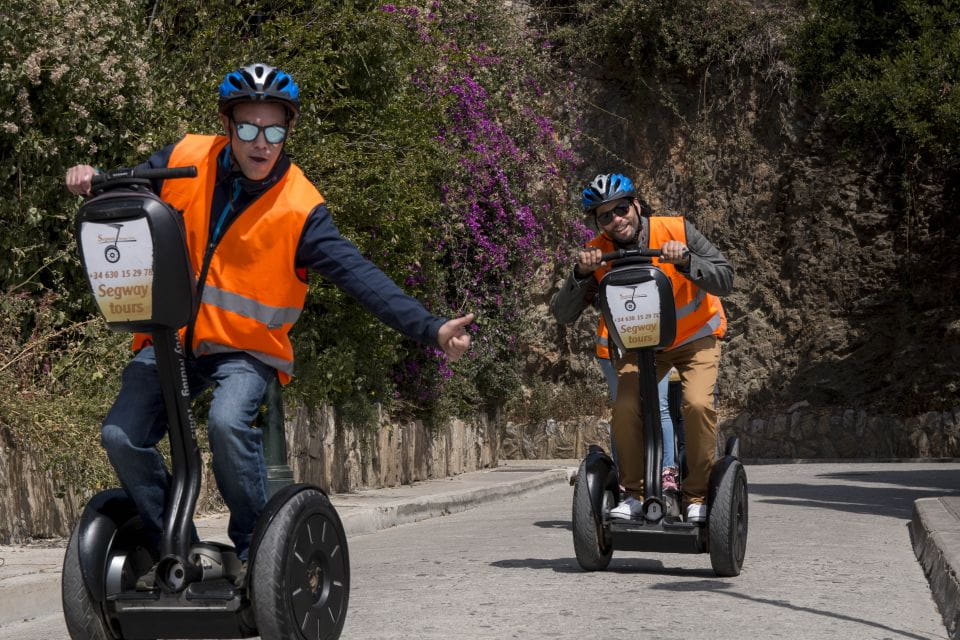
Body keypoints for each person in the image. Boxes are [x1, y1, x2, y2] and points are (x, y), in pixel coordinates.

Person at [65, 63, 474, 582]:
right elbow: (124, 194)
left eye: (275, 131)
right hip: (169, 340)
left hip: (245, 350)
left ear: (288, 131)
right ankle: (179, 549)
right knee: (121, 436)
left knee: (228, 423)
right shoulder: (186, 157)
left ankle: (256, 549)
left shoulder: (300, 209)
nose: (262, 143)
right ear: (228, 125)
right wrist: (89, 183)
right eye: (249, 129)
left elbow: (361, 277)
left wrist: (430, 328)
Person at [551, 173, 732, 523]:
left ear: (636, 204)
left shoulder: (676, 230)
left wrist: (686, 261)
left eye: (621, 209)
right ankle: (633, 494)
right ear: (598, 222)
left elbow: (725, 277)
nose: (617, 220)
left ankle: (696, 495)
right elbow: (563, 313)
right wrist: (580, 274)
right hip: (642, 345)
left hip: (695, 338)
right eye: (605, 216)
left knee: (695, 404)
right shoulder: (597, 252)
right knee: (626, 407)